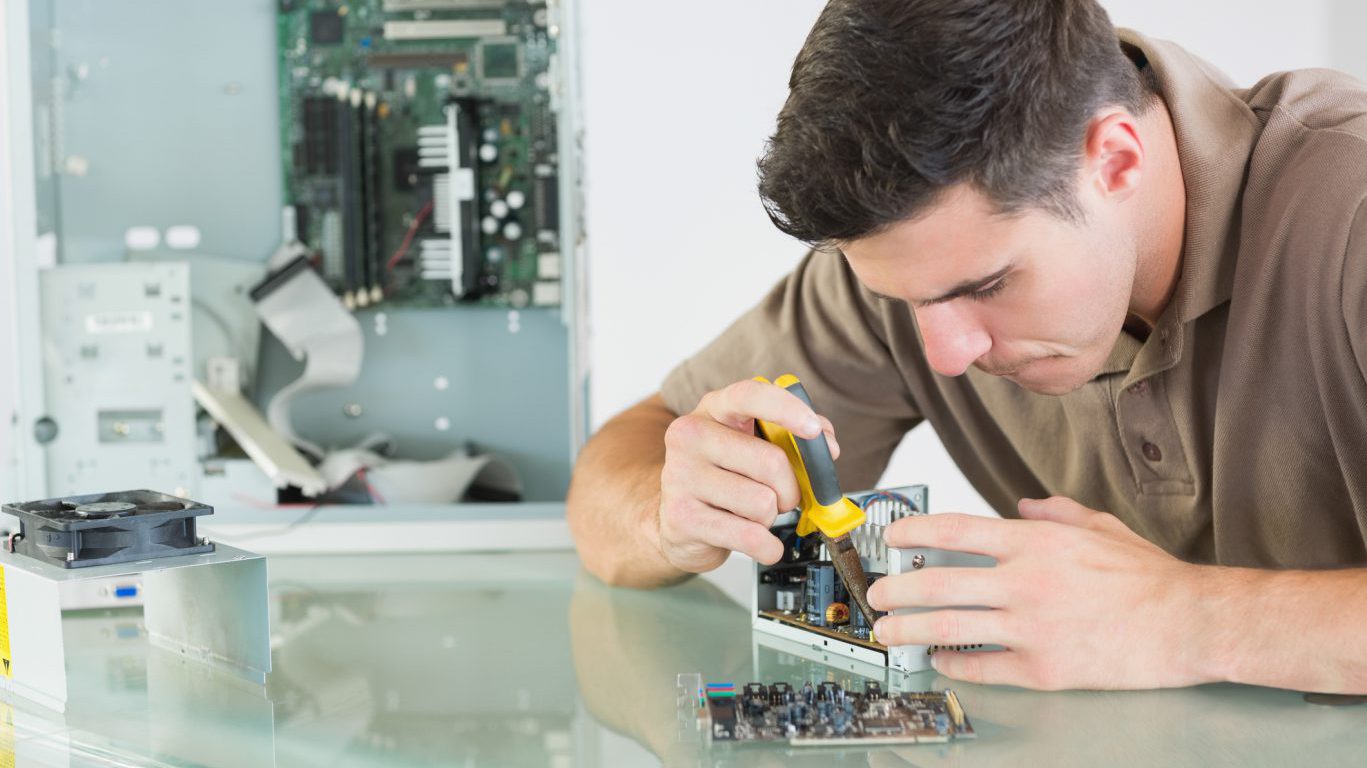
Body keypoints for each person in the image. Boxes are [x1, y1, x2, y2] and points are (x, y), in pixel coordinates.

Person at [567, 0, 1367, 693]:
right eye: (904, 299)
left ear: (1114, 159)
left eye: (985, 286)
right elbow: (620, 462)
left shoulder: (1351, 210)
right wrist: (667, 514)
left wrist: (1184, 620)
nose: (944, 352)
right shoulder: (914, 263)